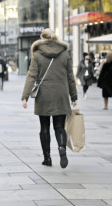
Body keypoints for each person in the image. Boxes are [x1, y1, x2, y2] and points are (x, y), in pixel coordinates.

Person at [21, 28, 77, 169]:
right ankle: (61, 148)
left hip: (44, 95)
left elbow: (31, 75)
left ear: (42, 38)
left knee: (44, 127)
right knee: (59, 126)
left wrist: (25, 96)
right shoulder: (65, 54)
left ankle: (47, 158)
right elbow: (71, 77)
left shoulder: (37, 54)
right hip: (61, 94)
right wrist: (74, 96)